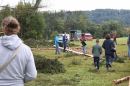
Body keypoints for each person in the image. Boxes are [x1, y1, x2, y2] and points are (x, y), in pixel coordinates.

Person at [0, 16, 37, 85]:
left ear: (3, 29)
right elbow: (32, 75)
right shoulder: (26, 49)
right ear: (18, 29)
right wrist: (18, 81)